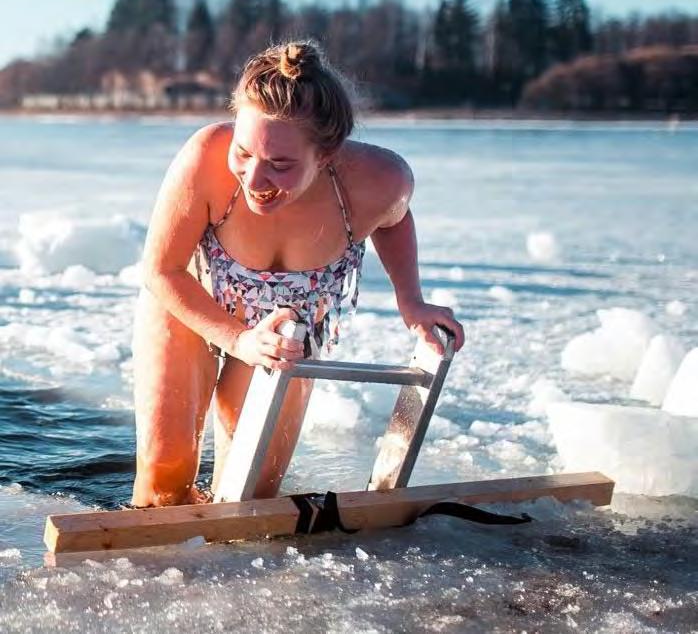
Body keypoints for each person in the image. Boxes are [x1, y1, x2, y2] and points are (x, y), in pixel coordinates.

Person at [131, 40, 464, 506]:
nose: (253, 179)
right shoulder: (205, 156)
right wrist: (237, 339)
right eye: (244, 153)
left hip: (286, 333)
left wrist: (411, 300)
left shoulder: (380, 179)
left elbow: (394, 218)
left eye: (280, 165)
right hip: (190, 304)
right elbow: (161, 270)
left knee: (251, 495)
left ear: (326, 155)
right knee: (165, 480)